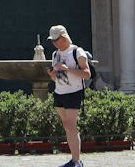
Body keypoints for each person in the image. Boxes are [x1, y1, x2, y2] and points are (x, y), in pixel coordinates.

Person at [46, 24, 90, 167]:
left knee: (71, 125)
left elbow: (86, 74)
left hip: (74, 92)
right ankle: (74, 159)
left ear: (64, 37)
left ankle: (77, 161)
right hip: (59, 92)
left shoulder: (77, 52)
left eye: (56, 39)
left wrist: (67, 68)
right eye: (52, 40)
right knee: (67, 125)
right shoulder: (55, 54)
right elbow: (56, 79)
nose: (54, 43)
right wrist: (52, 75)